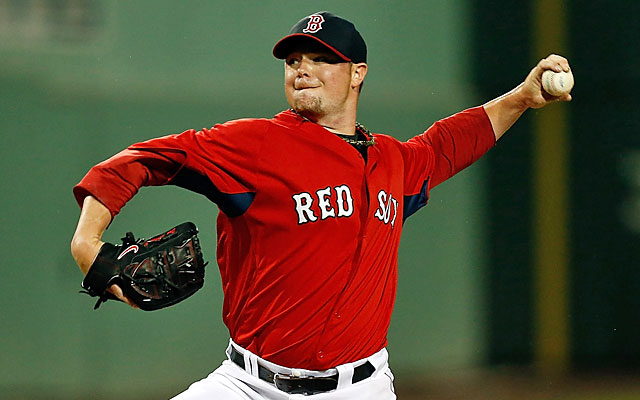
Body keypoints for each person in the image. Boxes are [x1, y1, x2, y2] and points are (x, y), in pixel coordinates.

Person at [70, 11, 572, 400]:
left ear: (357, 73)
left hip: (363, 388)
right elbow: (141, 159)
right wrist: (87, 239)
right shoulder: (254, 145)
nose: (302, 70)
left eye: (320, 59)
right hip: (249, 385)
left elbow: (448, 143)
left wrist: (523, 97)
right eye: (293, 61)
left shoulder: (394, 163)